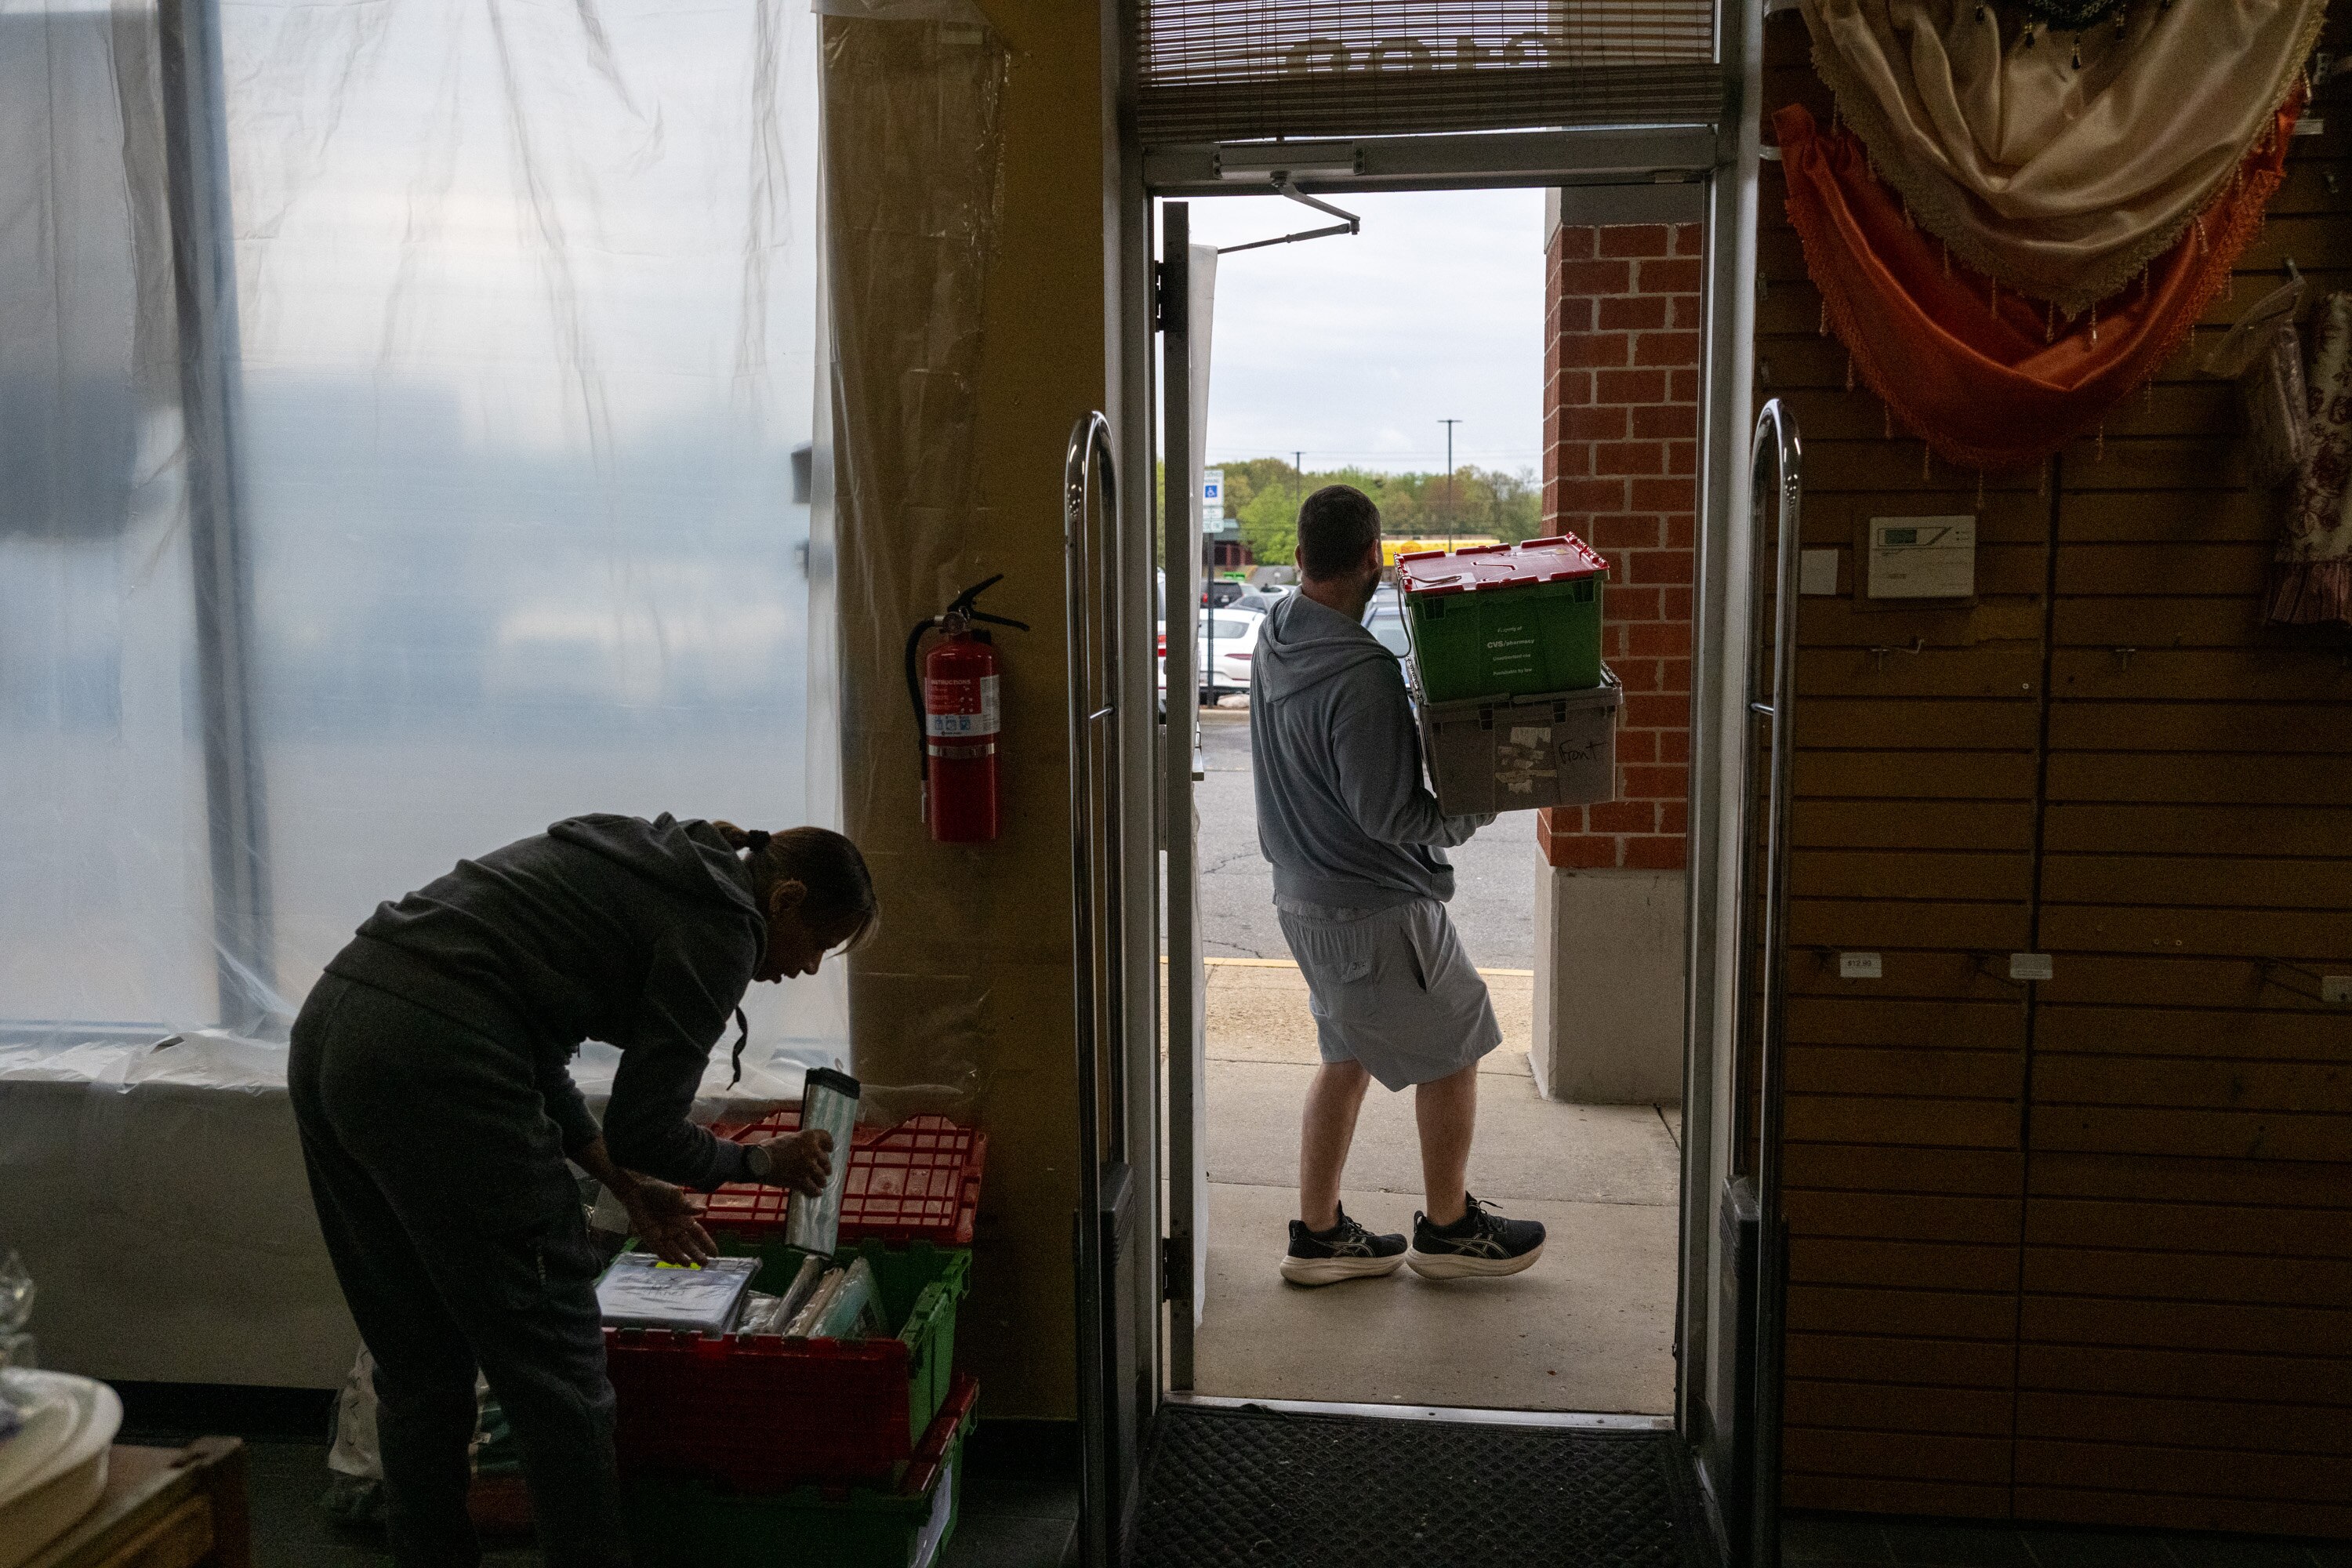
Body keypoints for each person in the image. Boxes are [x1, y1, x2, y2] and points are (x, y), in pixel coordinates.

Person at [289, 814, 877, 1567]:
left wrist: (626, 1190)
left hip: (337, 1025)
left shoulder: (652, 861)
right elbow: (646, 1125)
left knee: (419, 1367)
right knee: (561, 1382)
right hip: (437, 1057)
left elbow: (532, 1049)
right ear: (787, 900)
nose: (808, 970)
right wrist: (762, 1164)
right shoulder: (724, 925)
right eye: (819, 946)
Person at [1250, 486, 1546, 1287]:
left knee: (1345, 1056)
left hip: (1303, 901)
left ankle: (1318, 1235)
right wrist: (1481, 799)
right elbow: (1392, 814)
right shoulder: (1362, 672)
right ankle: (1450, 1229)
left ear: (1303, 554)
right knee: (1458, 1042)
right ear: (1372, 555)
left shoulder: (1276, 636)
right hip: (1376, 907)